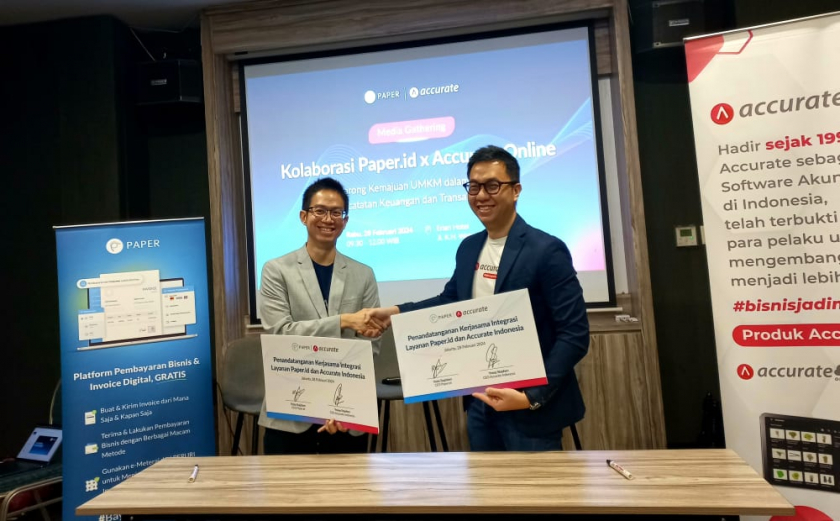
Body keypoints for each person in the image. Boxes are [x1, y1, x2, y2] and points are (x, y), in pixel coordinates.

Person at [367, 145, 589, 451]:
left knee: (535, 484)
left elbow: (574, 334)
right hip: (481, 403)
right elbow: (451, 302)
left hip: (531, 410)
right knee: (485, 482)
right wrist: (396, 312)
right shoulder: (469, 248)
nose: (481, 195)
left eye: (492, 185)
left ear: (516, 190)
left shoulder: (546, 250)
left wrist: (531, 396)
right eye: (473, 186)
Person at [258, 178, 383, 454]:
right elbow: (281, 334)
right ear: (304, 216)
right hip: (290, 413)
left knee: (349, 484)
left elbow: (370, 347)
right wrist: (343, 321)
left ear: (345, 221)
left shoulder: (363, 274)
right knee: (286, 484)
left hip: (346, 414)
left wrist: (337, 405)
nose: (328, 219)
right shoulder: (276, 270)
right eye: (320, 211)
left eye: (336, 212)